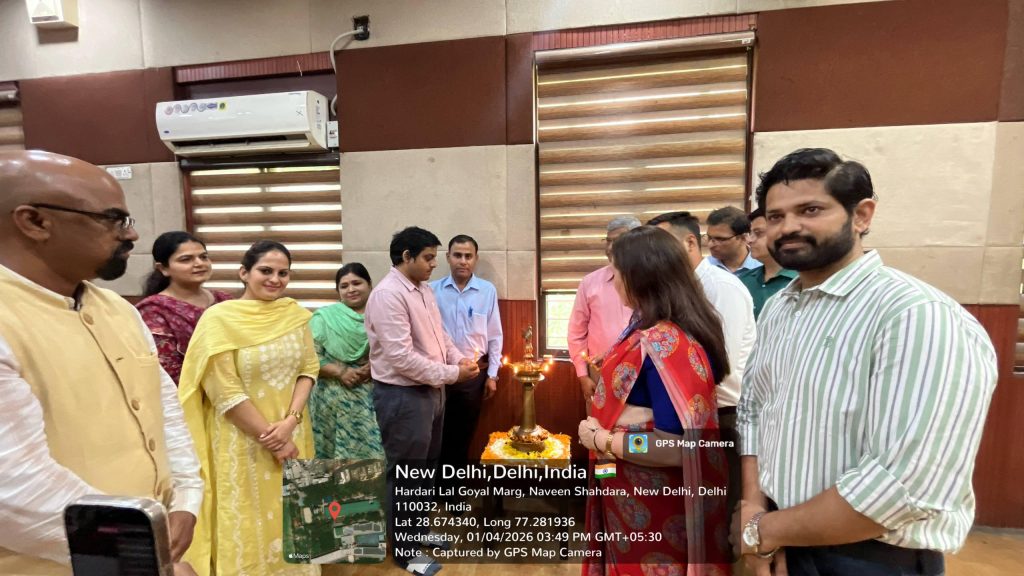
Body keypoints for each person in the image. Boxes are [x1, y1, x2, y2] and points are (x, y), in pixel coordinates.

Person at [736, 148, 997, 576]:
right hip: (778, 537)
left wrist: (763, 530)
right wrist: (754, 509)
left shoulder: (916, 315)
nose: (789, 227)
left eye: (810, 210)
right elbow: (754, 410)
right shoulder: (781, 307)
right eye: (776, 216)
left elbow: (905, 486)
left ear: (861, 215)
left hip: (867, 557)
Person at [0, 150, 202, 575]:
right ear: (34, 221)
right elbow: (13, 489)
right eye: (113, 219)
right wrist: (141, 547)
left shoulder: (118, 308)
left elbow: (164, 409)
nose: (132, 234)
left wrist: (186, 498)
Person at [576, 225, 731, 575]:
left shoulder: (665, 344)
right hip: (625, 487)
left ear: (640, 277)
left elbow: (674, 446)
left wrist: (604, 440)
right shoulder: (647, 325)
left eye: (617, 272)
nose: (613, 281)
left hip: (651, 500)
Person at [178, 240, 320, 576]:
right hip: (242, 440)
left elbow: (309, 368)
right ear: (244, 273)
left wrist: (291, 422)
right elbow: (224, 390)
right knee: (249, 517)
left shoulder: (294, 315)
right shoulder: (219, 320)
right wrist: (274, 439)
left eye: (283, 273)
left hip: (294, 433)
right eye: (265, 271)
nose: (275, 279)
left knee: (293, 513)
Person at [364, 226, 480, 575]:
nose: (434, 264)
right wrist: (453, 374)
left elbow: (441, 337)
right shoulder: (388, 295)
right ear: (406, 257)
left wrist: (458, 358)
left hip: (431, 391)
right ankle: (405, 551)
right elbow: (401, 358)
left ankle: (418, 531)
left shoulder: (424, 290)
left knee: (426, 470)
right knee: (406, 475)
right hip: (402, 395)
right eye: (428, 257)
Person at [647, 210, 756, 540]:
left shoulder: (720, 287)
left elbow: (721, 363)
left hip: (722, 413)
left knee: (721, 511)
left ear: (691, 242)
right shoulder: (681, 288)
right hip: (692, 412)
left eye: (664, 245)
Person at [430, 234, 503, 501]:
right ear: (448, 258)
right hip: (439, 373)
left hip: (473, 375)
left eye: (468, 256)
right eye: (457, 255)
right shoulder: (432, 291)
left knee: (462, 437)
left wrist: (492, 375)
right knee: (436, 436)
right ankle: (434, 493)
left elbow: (495, 336)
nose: (463, 261)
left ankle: (454, 495)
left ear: (476, 259)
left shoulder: (487, 291)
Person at [308, 262, 384, 460]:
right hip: (329, 399)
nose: (351, 289)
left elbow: (397, 350)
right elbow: (309, 356)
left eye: (356, 283)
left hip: (371, 398)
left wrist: (374, 366)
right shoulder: (324, 318)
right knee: (327, 460)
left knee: (370, 457)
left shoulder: (384, 315)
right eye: (344, 286)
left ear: (369, 284)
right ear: (338, 291)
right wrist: (340, 372)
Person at [136, 231, 233, 384]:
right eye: (186, 259)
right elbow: (167, 370)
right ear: (163, 268)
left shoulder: (224, 300)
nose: (199, 263)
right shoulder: (154, 311)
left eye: (203, 257)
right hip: (188, 392)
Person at [567, 216, 640, 405]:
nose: (611, 247)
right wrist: (583, 375)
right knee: (597, 423)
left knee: (639, 423)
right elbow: (576, 333)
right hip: (599, 373)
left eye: (618, 241)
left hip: (641, 372)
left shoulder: (650, 281)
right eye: (608, 241)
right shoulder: (590, 282)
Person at [737, 207, 797, 319]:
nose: (750, 240)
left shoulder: (801, 281)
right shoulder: (743, 280)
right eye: (750, 233)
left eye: (758, 233)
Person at [705, 206, 761, 274]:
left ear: (743, 238)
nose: (710, 245)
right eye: (709, 237)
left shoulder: (763, 267)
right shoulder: (703, 269)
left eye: (720, 239)